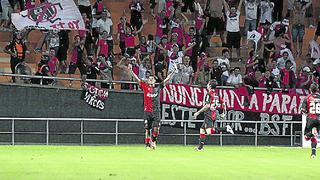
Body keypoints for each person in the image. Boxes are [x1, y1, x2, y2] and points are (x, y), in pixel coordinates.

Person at [128, 63, 177, 150]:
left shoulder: (158, 87)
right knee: (147, 129)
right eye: (149, 78)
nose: (150, 79)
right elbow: (136, 79)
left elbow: (167, 80)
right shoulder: (144, 86)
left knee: (156, 129)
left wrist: (173, 72)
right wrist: (131, 71)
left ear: (154, 81)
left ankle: (154, 140)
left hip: (156, 111)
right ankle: (147, 144)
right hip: (147, 111)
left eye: (152, 79)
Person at [194, 80, 234, 151]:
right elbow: (224, 103)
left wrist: (198, 112)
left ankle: (226, 128)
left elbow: (207, 105)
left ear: (209, 86)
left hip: (208, 114)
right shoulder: (216, 94)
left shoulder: (209, 94)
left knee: (209, 132)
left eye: (208, 83)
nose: (207, 85)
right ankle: (200, 148)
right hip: (213, 114)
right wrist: (224, 113)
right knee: (202, 130)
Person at [300, 83, 320, 159]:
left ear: (310, 90)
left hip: (311, 118)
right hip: (319, 119)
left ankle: (312, 132)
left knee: (306, 137)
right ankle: (313, 154)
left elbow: (303, 110)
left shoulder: (307, 98)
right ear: (317, 89)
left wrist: (306, 113)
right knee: (313, 137)